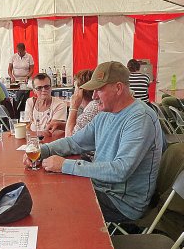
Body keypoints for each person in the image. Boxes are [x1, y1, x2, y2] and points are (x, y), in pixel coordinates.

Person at [25, 61, 163, 223]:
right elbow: (75, 142)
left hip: (122, 203)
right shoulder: (106, 112)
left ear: (118, 88)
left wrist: (64, 165)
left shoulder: (140, 118)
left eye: (99, 89)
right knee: (53, 191)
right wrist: (43, 151)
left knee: (58, 202)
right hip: (102, 187)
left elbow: (120, 170)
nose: (94, 96)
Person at [65, 69, 99, 137]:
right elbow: (81, 127)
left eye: (75, 88)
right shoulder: (95, 105)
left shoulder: (92, 108)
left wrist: (73, 108)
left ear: (80, 90)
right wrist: (61, 125)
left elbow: (69, 138)